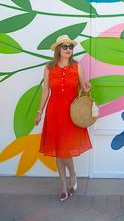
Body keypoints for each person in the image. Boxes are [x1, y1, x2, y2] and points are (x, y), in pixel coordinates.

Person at [34, 35, 92, 202]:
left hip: (71, 112)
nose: (68, 49)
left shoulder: (77, 66)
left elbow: (83, 88)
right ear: (58, 49)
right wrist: (39, 112)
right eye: (65, 46)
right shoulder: (49, 67)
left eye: (70, 47)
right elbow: (45, 91)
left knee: (65, 149)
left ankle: (73, 175)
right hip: (54, 111)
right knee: (58, 150)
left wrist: (87, 86)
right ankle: (63, 184)